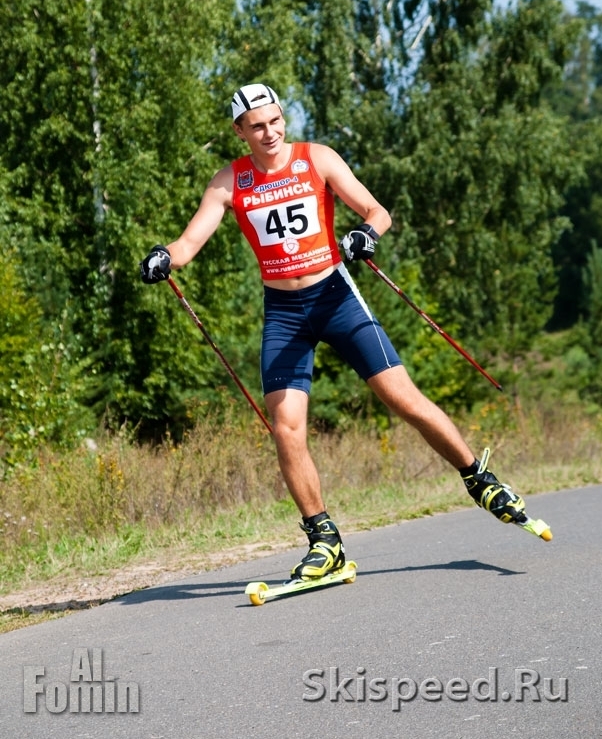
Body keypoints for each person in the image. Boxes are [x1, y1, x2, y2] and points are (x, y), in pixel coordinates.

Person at [140, 83, 527, 580]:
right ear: (240, 132)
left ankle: (479, 478)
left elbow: (377, 211)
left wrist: (367, 234)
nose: (270, 131)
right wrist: (163, 257)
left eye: (275, 120)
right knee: (286, 428)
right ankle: (324, 540)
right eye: (257, 126)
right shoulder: (228, 182)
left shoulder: (316, 159)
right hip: (283, 311)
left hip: (335, 297)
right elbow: (189, 243)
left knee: (402, 399)